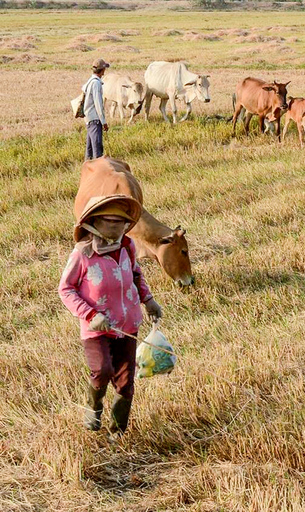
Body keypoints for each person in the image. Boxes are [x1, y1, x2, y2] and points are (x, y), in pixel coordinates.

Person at [58, 195, 163, 434]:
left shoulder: (127, 246)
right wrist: (90, 314)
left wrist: (149, 300)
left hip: (127, 325)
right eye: (111, 222)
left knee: (126, 383)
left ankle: (118, 431)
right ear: (95, 221)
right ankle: (94, 407)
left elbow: (136, 275)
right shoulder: (83, 254)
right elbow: (65, 289)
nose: (117, 228)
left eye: (121, 222)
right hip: (97, 327)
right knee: (102, 370)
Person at [83, 58, 110, 161]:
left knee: (89, 150)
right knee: (97, 151)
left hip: (89, 118)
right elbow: (98, 104)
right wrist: (104, 122)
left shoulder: (90, 81)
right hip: (94, 119)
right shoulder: (96, 83)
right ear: (102, 70)